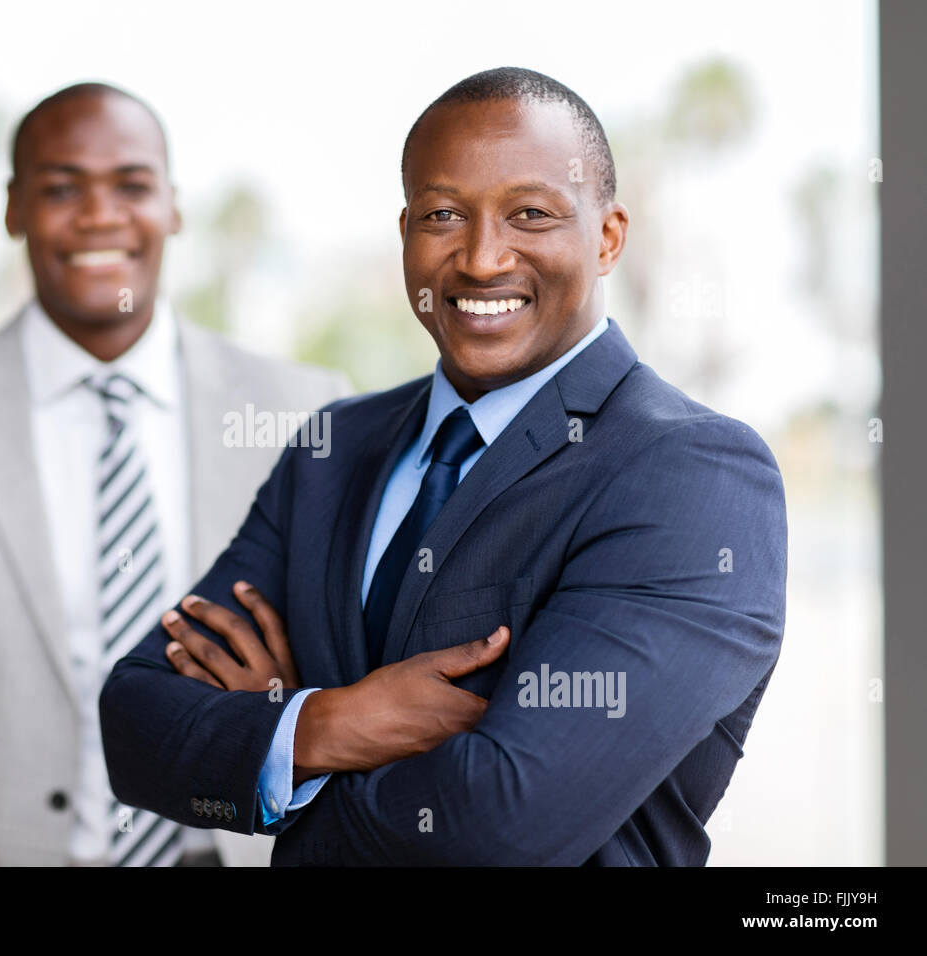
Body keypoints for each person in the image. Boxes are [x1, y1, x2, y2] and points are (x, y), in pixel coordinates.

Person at [99, 67, 788, 865]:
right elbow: (134, 724)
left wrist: (276, 745)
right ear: (404, 234)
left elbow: (498, 826)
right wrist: (328, 723)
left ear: (608, 238)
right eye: (443, 214)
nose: (482, 257)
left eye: (531, 213)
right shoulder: (334, 449)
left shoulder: (692, 474)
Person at [0, 82, 351, 867]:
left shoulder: (308, 413)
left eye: (131, 185)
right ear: (14, 209)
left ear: (174, 207)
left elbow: (353, 686)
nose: (99, 215)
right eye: (61, 188)